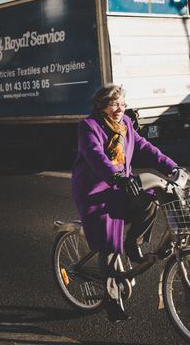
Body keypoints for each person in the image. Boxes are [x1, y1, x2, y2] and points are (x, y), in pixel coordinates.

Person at [71, 84, 179, 322]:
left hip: (122, 185)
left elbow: (145, 148)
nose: (119, 109)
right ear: (101, 106)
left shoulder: (126, 125)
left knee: (150, 201)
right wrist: (117, 176)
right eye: (113, 104)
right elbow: (95, 155)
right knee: (109, 242)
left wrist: (172, 167)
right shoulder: (88, 126)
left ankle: (133, 243)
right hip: (96, 190)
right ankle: (111, 299)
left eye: (122, 104)